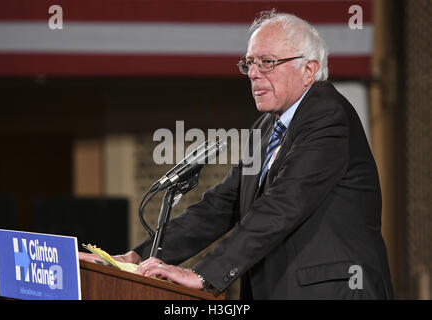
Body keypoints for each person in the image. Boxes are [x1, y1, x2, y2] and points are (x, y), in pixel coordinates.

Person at [79, 10, 394, 299]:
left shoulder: (326, 113)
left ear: (308, 69)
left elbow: (284, 203)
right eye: (250, 63)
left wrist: (203, 274)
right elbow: (220, 206)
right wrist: (139, 258)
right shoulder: (265, 129)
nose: (254, 74)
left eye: (267, 62)